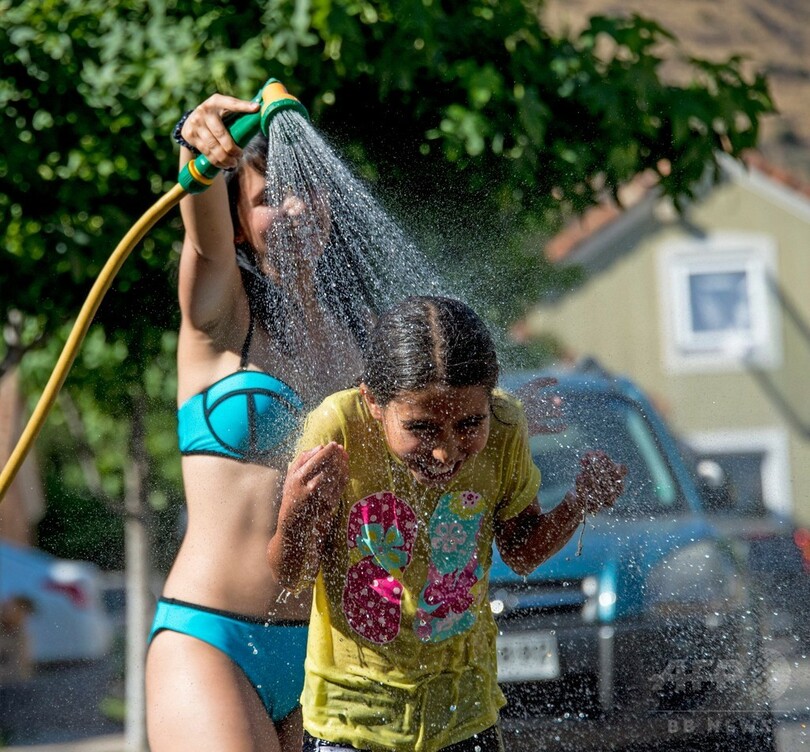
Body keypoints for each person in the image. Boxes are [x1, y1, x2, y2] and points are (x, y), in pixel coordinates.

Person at [267, 295, 627, 752]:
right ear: (374, 402)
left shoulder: (504, 426)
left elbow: (520, 553)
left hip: (463, 713)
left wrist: (577, 504)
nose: (446, 451)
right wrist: (295, 509)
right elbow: (292, 575)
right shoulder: (338, 428)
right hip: (351, 718)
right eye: (422, 428)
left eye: (468, 423)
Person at [145, 91, 375, 752]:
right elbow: (204, 239)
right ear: (241, 220)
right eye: (272, 196)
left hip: (324, 653)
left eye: (308, 192)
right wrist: (196, 146)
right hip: (213, 639)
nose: (296, 207)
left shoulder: (357, 340)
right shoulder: (221, 317)